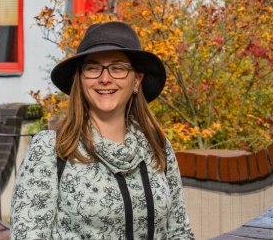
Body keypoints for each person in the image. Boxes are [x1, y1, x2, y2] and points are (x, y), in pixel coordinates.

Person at [10, 21, 194, 239]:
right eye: (93, 68)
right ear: (80, 79)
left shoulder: (157, 147)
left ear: (136, 80)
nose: (104, 78)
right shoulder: (51, 150)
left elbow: (179, 232)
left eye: (118, 68)